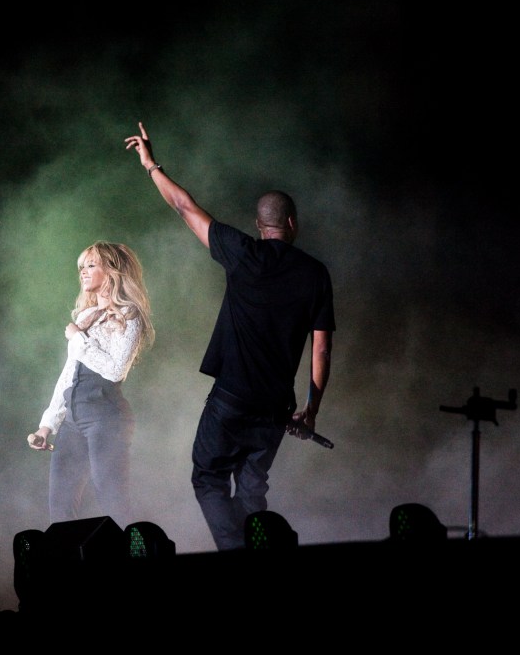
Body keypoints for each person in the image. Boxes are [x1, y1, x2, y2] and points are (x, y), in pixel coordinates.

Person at [124, 122, 336, 550]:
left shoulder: (242, 252)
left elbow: (184, 206)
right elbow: (322, 347)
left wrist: (150, 165)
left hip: (233, 399)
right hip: (276, 406)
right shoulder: (315, 273)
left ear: (259, 225)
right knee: (253, 488)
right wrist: (312, 410)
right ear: (291, 223)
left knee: (209, 477)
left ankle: (235, 555)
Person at [27, 240, 155, 529]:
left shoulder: (129, 316)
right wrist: (47, 425)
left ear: (111, 271)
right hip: (73, 420)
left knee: (112, 498)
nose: (83, 272)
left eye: (91, 265)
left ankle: (137, 552)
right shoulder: (85, 317)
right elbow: (67, 376)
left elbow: (115, 370)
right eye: (81, 267)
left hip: (106, 416)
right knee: (60, 506)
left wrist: (78, 339)